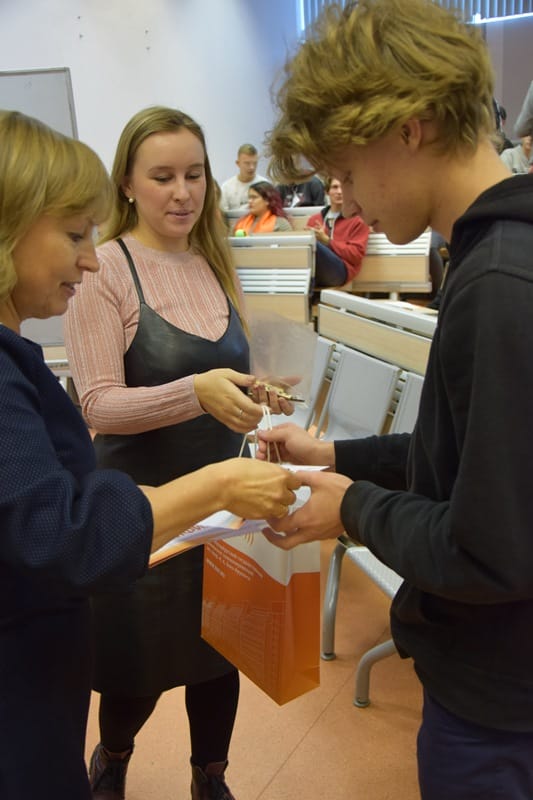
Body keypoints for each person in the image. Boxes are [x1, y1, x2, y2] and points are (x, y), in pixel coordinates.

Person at [259, 1, 533, 798]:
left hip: (497, 704)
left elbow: (486, 551)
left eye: (345, 171)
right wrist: (335, 456)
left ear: (407, 128)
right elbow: (475, 462)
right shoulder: (492, 255)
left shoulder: (497, 284)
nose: (342, 199)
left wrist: (350, 507)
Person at [0, 110, 300, 800]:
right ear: (128, 185)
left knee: (221, 654)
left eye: (195, 175)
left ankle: (210, 774)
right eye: (163, 176)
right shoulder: (108, 272)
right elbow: (97, 408)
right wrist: (196, 396)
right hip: (142, 509)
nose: (183, 192)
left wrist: (249, 393)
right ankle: (113, 759)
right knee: (134, 667)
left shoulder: (215, 263)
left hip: (218, 513)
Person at [306, 176, 369, 286]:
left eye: (343, 188)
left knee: (313, 243)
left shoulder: (358, 220)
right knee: (302, 245)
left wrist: (327, 241)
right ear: (327, 192)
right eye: (335, 187)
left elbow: (356, 256)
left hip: (343, 270)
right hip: (316, 271)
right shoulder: (315, 219)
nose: (339, 192)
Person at [219, 143, 266, 212]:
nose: (252, 167)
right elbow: (223, 214)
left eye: (255, 163)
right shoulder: (226, 187)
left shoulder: (265, 185)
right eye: (247, 163)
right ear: (238, 163)